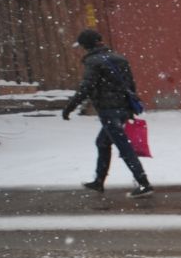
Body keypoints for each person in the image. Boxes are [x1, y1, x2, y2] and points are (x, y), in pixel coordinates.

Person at [62, 28, 152, 196]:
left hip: (109, 110)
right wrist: (129, 108)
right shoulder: (119, 58)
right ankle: (99, 181)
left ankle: (144, 184)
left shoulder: (94, 62)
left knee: (124, 147)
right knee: (102, 142)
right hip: (122, 109)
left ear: (86, 45)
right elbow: (130, 85)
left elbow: (86, 87)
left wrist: (70, 107)